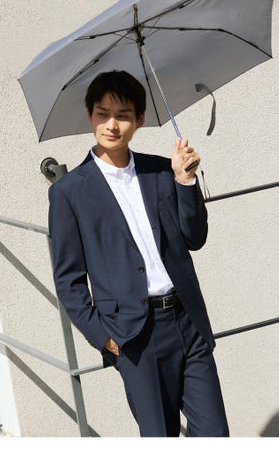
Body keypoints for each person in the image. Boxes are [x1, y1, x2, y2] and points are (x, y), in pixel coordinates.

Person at [48, 70, 229, 437]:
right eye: (103, 114)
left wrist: (185, 181)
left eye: (123, 115)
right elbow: (68, 280)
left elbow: (194, 238)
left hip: (187, 319)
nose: (112, 125)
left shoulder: (161, 171)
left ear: (140, 119)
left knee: (215, 434)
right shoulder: (69, 192)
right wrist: (103, 336)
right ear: (90, 116)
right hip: (135, 335)